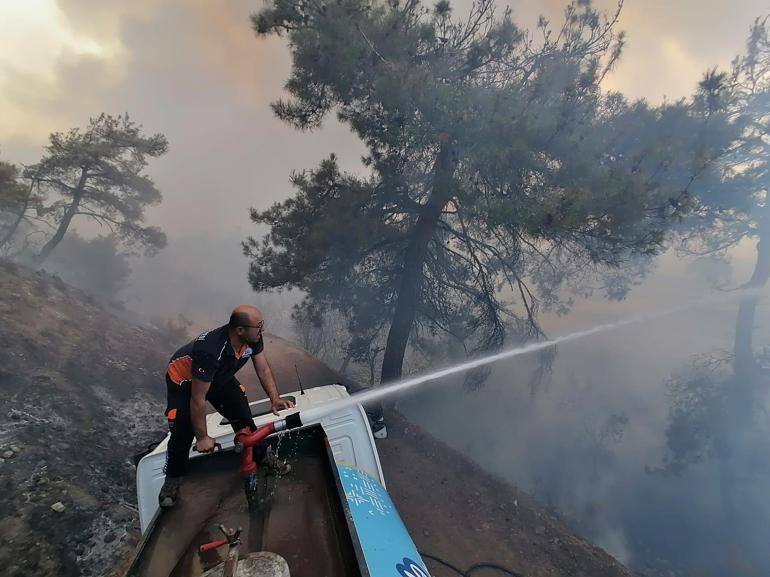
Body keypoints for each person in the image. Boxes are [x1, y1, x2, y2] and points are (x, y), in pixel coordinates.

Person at [158, 305, 294, 507]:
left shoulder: (253, 338)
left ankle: (263, 456)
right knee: (182, 431)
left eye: (262, 325)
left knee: (242, 414)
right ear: (240, 330)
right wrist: (202, 437)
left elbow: (263, 368)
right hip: (185, 382)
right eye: (259, 326)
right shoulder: (210, 350)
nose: (262, 330)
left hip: (218, 376)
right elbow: (197, 399)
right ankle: (172, 481)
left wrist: (275, 398)